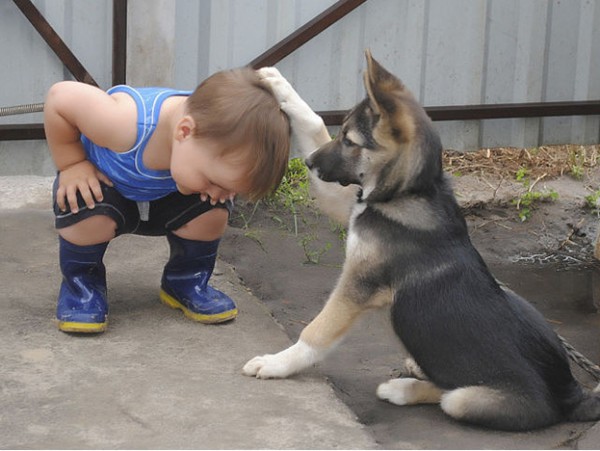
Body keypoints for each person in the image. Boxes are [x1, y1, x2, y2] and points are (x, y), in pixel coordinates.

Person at [44, 67, 291, 333]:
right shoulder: (122, 123)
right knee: (82, 200)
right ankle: (83, 285)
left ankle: (186, 280)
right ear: (185, 132)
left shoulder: (206, 148)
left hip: (168, 199)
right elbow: (60, 97)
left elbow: (216, 189)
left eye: (232, 190)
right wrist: (71, 163)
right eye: (214, 181)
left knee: (213, 210)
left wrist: (216, 189)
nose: (218, 192)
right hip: (108, 190)